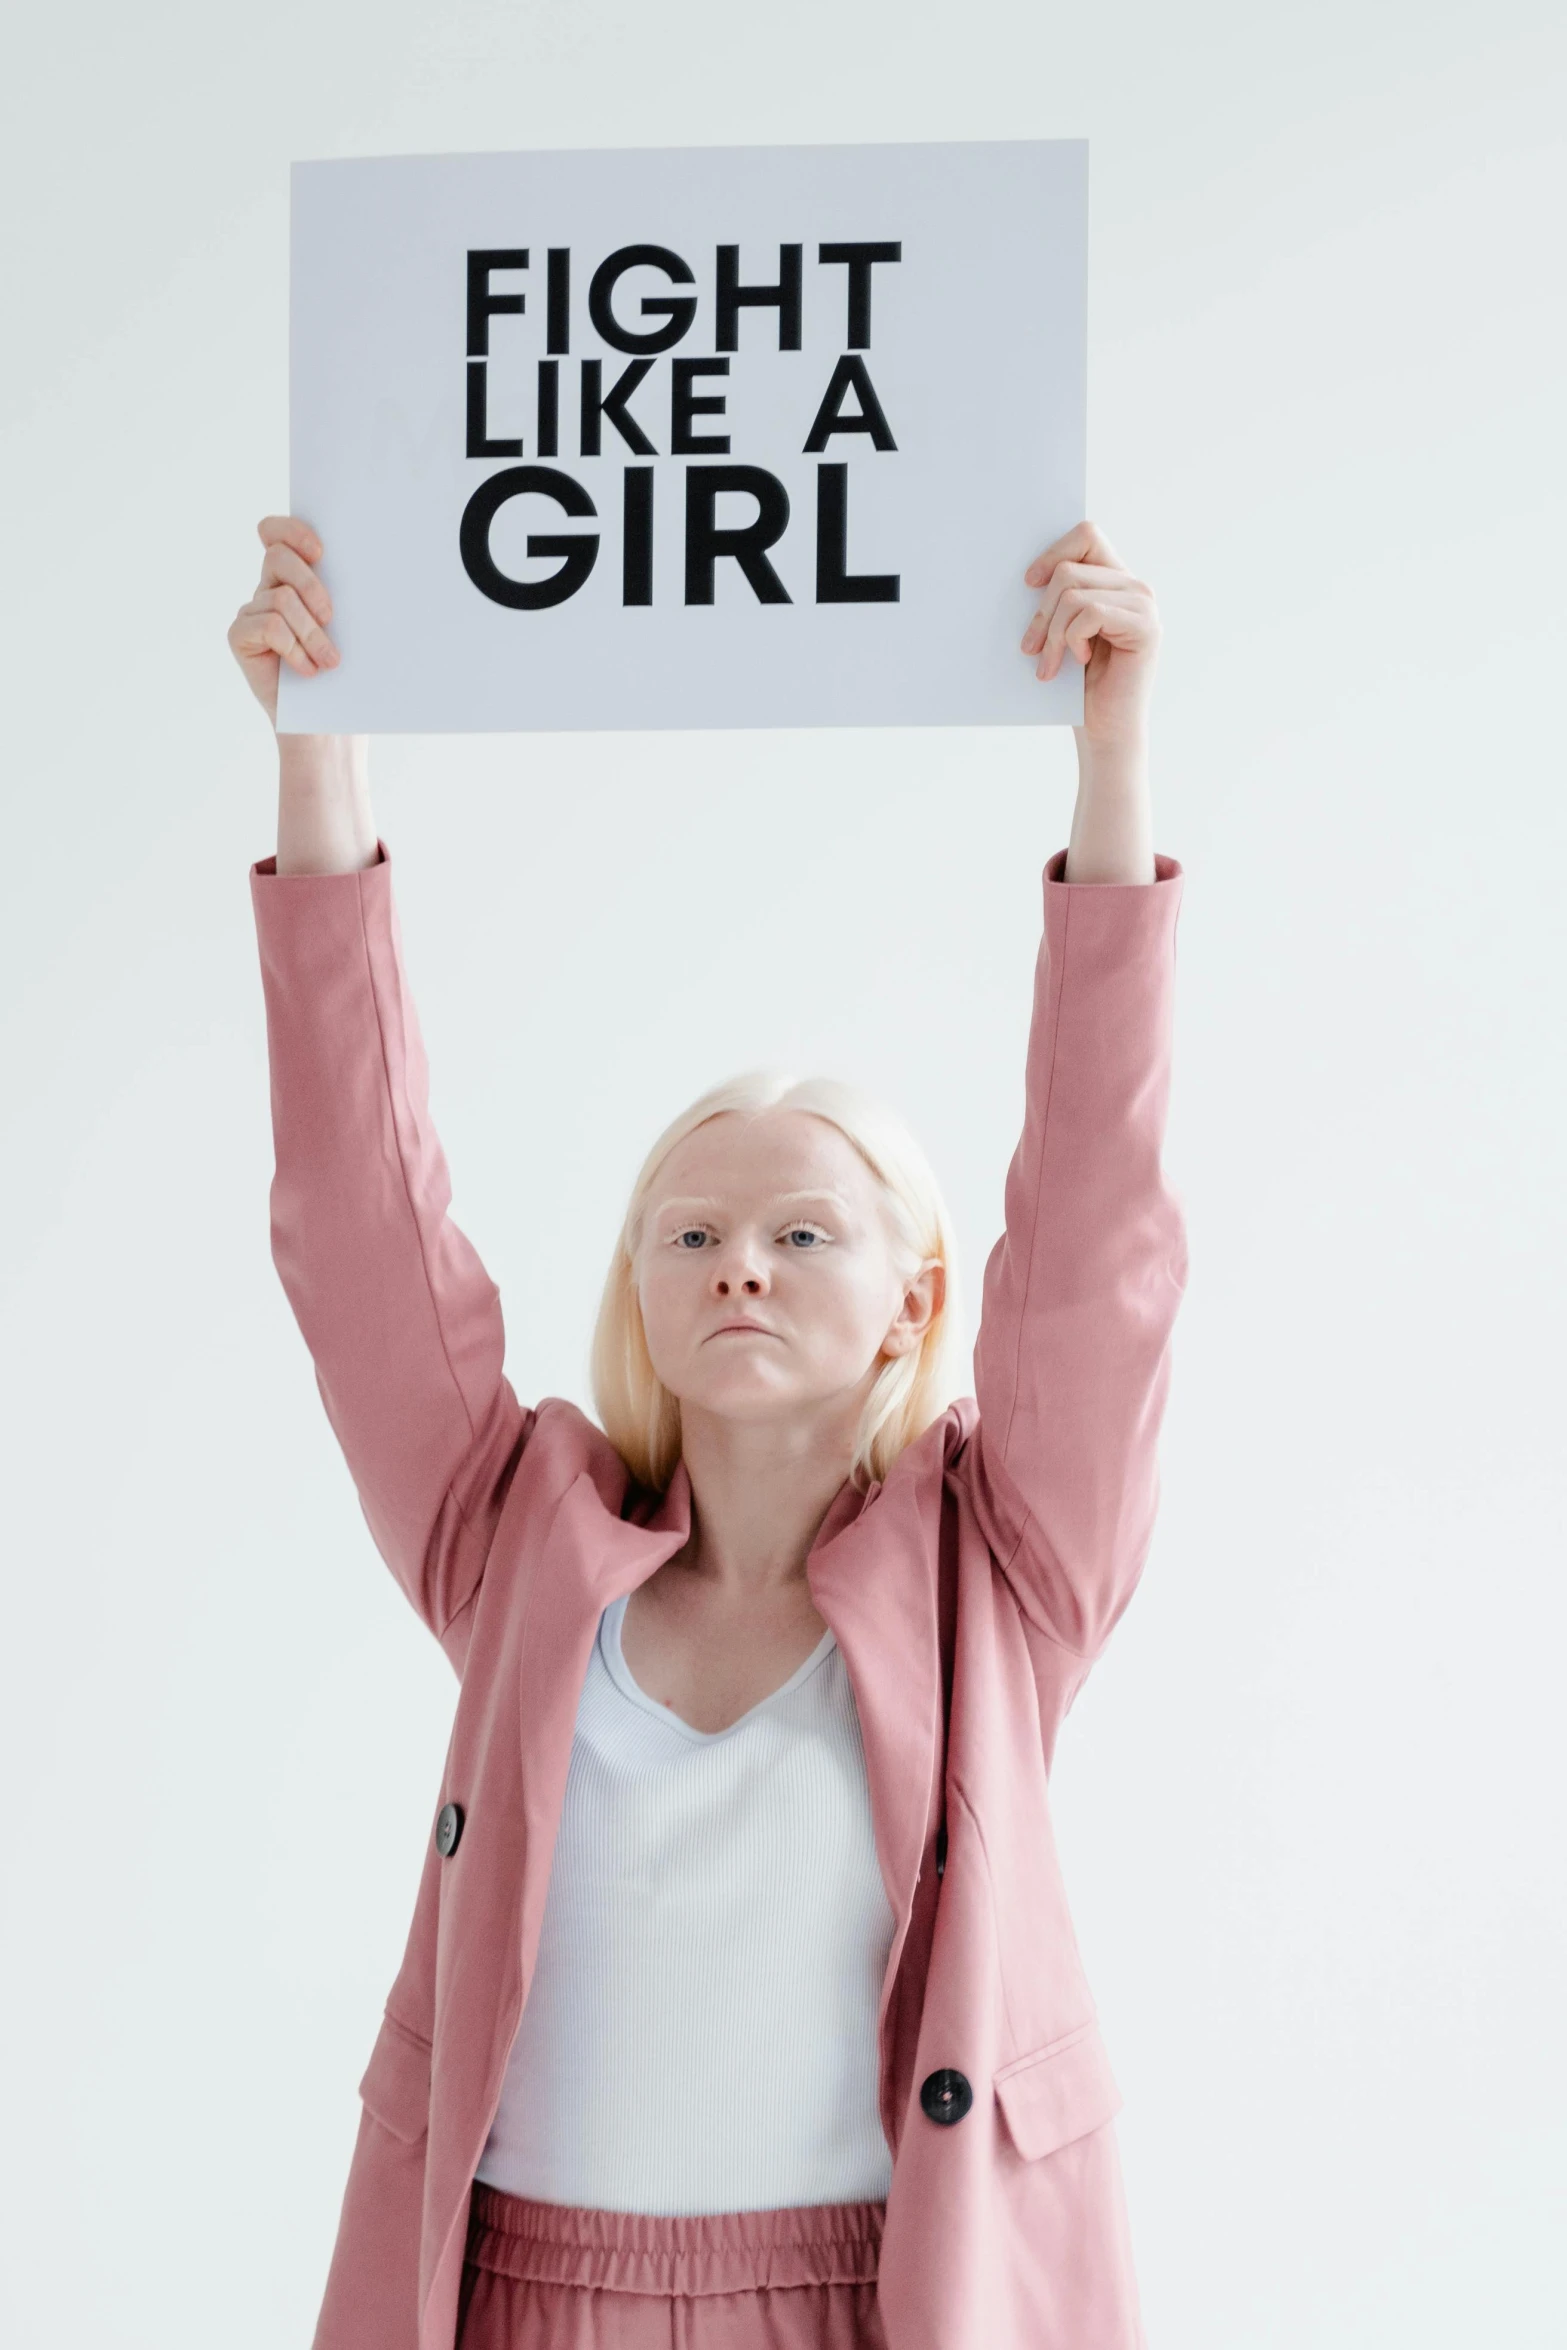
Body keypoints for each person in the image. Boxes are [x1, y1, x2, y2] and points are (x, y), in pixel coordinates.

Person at [229, 515, 1187, 2350]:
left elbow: (1098, 1251)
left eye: (801, 1232)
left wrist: (1111, 769)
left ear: (912, 1299)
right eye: (692, 1233)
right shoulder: (517, 1539)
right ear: (645, 1290)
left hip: (888, 2295)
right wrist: (318, 749)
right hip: (523, 2292)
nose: (738, 1265)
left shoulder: (1004, 1568)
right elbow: (356, 1231)